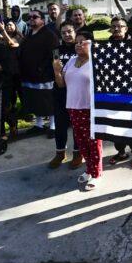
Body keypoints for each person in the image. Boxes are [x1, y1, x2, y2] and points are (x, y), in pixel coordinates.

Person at [53, 31, 102, 190]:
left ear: (92, 44)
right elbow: (61, 84)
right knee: (81, 142)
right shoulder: (71, 61)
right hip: (73, 107)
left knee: (94, 142)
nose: (79, 44)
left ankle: (97, 174)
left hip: (91, 108)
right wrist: (56, 71)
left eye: (83, 42)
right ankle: (89, 169)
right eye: (77, 42)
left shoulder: (97, 62)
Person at [106, 16, 132, 169]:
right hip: (113, 93)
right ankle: (120, 152)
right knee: (115, 125)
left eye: (120, 26)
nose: (116, 29)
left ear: (126, 28)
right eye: (113, 26)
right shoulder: (104, 47)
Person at [18, 9, 58, 136]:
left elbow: (56, 54)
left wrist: (52, 69)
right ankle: (39, 124)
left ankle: (53, 126)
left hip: (45, 75)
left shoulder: (50, 35)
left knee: (48, 102)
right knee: (35, 100)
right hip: (29, 75)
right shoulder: (29, 34)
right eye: (29, 17)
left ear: (42, 20)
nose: (31, 19)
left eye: (35, 17)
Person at [48, 22, 82, 169]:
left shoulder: (80, 49)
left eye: (69, 31)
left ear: (75, 32)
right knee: (60, 125)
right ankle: (60, 153)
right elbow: (55, 70)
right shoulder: (56, 50)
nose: (67, 35)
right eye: (64, 33)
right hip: (60, 92)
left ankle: (77, 153)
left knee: (77, 125)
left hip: (78, 92)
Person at [0, 20, 23, 137]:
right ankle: (13, 124)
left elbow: (13, 44)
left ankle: (19, 121)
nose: (8, 27)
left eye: (10, 25)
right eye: (6, 25)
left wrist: (2, 31)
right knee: (8, 103)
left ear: (15, 27)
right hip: (6, 75)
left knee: (21, 100)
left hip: (18, 74)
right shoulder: (1, 40)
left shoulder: (19, 37)